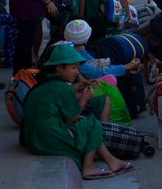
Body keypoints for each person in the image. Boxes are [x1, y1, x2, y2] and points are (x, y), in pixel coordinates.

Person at [21, 41, 133, 180]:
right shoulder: (62, 87)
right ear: (59, 67)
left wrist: (77, 88)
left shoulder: (47, 83)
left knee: (92, 117)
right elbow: (72, 118)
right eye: (73, 68)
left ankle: (111, 161)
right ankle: (89, 166)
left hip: (35, 140)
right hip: (47, 141)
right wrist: (84, 99)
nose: (76, 72)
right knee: (91, 122)